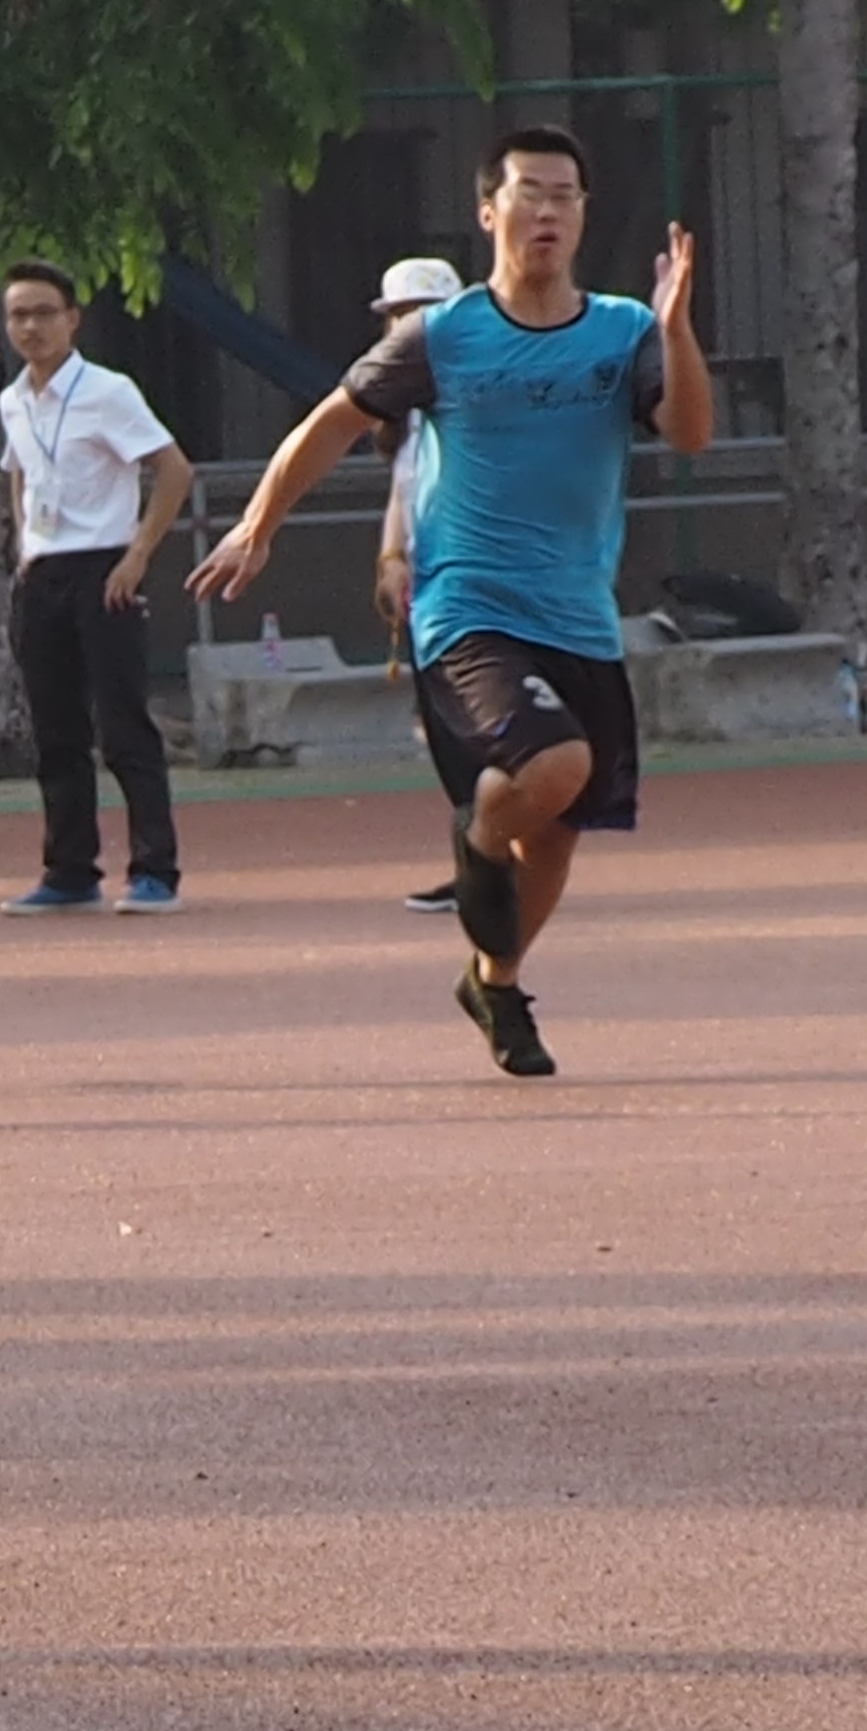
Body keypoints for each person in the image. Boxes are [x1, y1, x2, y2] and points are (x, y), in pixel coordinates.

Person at [193, 125, 712, 1075]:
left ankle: (495, 982)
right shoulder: (444, 336)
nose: (548, 209)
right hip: (465, 608)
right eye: (529, 192)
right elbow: (332, 422)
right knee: (550, 766)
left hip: (579, 613)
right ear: (489, 211)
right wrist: (257, 524)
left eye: (566, 194)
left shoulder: (625, 332)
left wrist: (675, 330)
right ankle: (475, 834)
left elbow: (687, 433)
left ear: (583, 215)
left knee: (557, 834)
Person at [0, 264, 193, 914]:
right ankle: (70, 869)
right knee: (55, 729)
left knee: (122, 722)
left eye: (44, 312)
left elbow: (172, 470)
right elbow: (19, 470)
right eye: (19, 314)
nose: (31, 327)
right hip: (43, 570)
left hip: (105, 565)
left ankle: (154, 869)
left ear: (72, 318)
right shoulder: (13, 399)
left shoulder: (108, 392)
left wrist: (138, 553)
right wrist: (24, 544)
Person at [366, 253, 470, 914]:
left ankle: (503, 865)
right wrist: (389, 558)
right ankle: (478, 865)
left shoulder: (476, 400)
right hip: (427, 586)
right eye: (397, 319)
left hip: (476, 583)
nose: (408, 330)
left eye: (422, 317)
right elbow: (402, 494)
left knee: (480, 727)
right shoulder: (403, 414)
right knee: (444, 732)